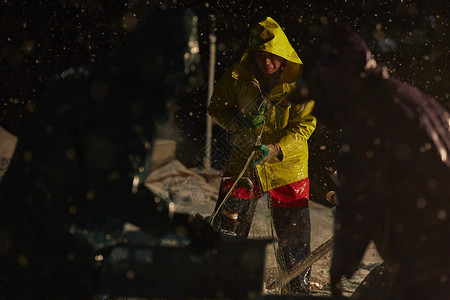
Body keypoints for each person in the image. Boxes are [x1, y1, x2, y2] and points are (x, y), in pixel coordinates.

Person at [291, 23, 450, 299]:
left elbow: (358, 202)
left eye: (318, 95)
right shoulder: (406, 98)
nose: (317, 106)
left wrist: (341, 267)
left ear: (332, 82)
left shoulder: (370, 117)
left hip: (431, 258)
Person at [207, 17, 316, 295]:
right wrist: (234, 122)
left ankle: (296, 289)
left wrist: (277, 149)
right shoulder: (237, 77)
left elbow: (305, 126)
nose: (266, 62)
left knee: (294, 238)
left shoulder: (300, 83)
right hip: (245, 161)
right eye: (260, 55)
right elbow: (216, 107)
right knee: (228, 227)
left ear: (283, 54)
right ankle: (224, 284)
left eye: (272, 55)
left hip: (287, 167)